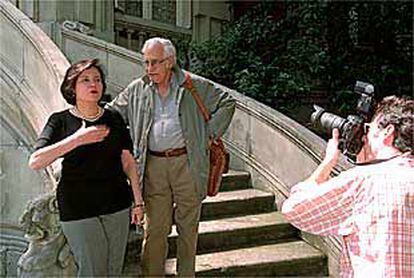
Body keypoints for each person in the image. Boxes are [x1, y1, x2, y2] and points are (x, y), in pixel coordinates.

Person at [106, 37, 236, 276]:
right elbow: (112, 114)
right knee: (155, 230)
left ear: (170, 62)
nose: (149, 68)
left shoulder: (192, 85)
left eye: (155, 62)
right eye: (146, 62)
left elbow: (227, 102)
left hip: (187, 164)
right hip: (152, 165)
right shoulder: (137, 88)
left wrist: (207, 135)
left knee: (188, 230)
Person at [28, 59, 144, 277]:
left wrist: (138, 202)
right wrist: (77, 139)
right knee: (92, 272)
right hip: (78, 208)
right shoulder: (60, 121)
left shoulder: (114, 118)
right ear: (72, 87)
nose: (94, 84)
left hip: (117, 205)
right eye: (86, 80)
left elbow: (128, 162)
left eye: (98, 80)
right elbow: (36, 161)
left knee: (113, 270)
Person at [282, 95, 414, 277]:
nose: (365, 136)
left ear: (387, 131)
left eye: (369, 128)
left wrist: (328, 162)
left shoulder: (364, 180)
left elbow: (294, 209)